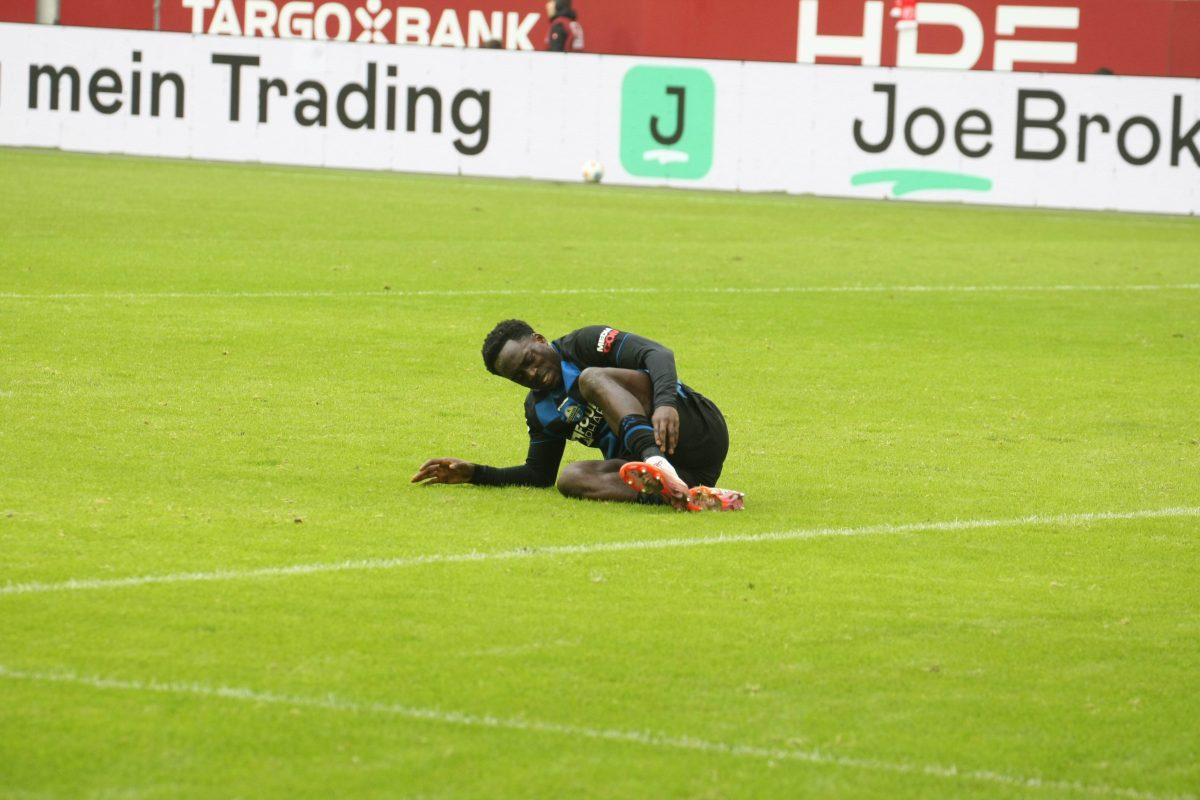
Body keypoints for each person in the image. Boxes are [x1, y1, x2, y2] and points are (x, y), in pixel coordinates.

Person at [411, 321, 744, 511]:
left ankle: (656, 464)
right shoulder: (540, 410)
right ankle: (686, 495)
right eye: (519, 376)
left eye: (529, 360)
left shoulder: (584, 344)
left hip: (693, 428)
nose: (532, 374)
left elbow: (657, 354)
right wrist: (476, 473)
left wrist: (666, 402)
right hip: (684, 471)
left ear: (539, 340)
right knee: (570, 478)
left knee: (590, 379)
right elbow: (538, 474)